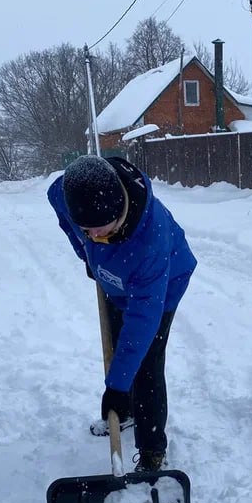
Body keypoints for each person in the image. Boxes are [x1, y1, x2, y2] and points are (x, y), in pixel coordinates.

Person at [47, 155, 196, 472]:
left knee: (144, 361)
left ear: (121, 212)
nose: (95, 238)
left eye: (103, 233)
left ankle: (153, 451)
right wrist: (88, 255)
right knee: (117, 345)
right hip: (116, 278)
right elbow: (57, 202)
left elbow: (141, 324)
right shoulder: (69, 192)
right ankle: (125, 413)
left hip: (162, 285)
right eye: (89, 232)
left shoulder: (150, 242)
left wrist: (114, 387)